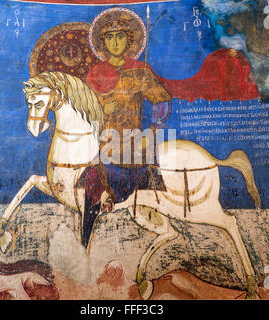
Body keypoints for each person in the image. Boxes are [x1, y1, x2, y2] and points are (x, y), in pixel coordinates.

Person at [81, 10, 172, 247]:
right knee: (91, 179)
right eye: (109, 38)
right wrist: (102, 108)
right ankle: (85, 238)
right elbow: (83, 107)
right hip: (104, 140)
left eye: (120, 36)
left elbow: (161, 100)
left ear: (129, 40)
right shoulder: (96, 73)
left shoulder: (140, 70)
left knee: (143, 174)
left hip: (134, 141)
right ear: (103, 43)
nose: (115, 42)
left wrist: (152, 131)